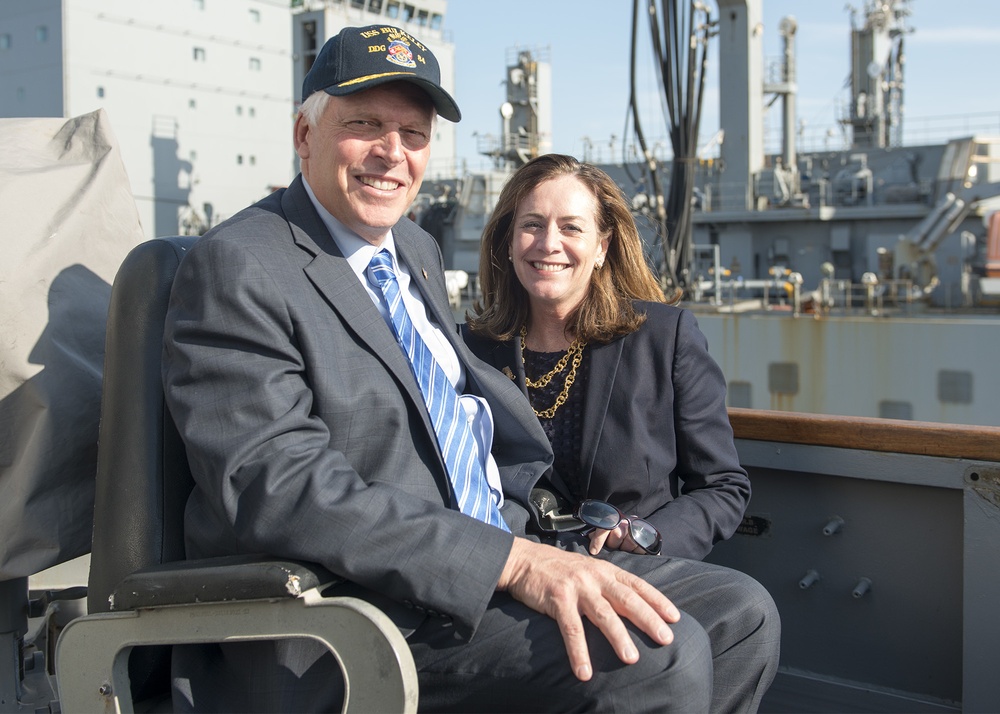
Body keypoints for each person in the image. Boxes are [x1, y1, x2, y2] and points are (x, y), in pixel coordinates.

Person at [162, 23, 779, 713]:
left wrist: (530, 544)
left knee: (739, 616)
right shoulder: (242, 263)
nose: (392, 153)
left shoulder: (411, 249)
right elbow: (276, 484)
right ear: (305, 135)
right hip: (360, 608)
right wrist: (510, 563)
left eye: (414, 133)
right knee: (657, 659)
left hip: (484, 555)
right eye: (363, 123)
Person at [464, 154, 749, 561]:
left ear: (602, 247)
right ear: (508, 244)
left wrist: (648, 535)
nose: (548, 243)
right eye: (531, 225)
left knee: (750, 607)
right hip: (517, 571)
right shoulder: (469, 350)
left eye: (571, 228)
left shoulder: (664, 339)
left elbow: (722, 486)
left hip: (628, 568)